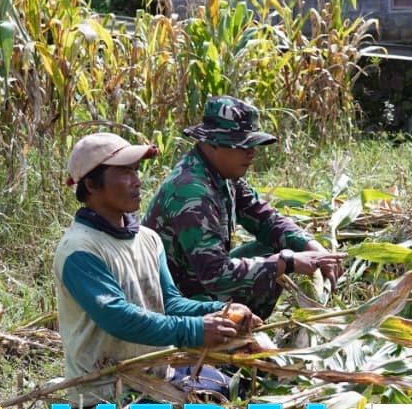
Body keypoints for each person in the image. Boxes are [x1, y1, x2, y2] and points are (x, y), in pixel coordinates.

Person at [54, 132, 262, 405]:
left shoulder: (147, 238)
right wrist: (195, 330)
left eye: (136, 171)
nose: (137, 181)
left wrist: (219, 312)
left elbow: (170, 303)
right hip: (108, 390)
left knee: (233, 388)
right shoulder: (80, 249)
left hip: (158, 372)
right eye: (125, 173)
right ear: (92, 184)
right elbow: (117, 318)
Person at [144, 96, 345, 319]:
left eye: (253, 144)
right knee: (275, 263)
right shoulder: (191, 191)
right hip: (176, 301)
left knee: (272, 251)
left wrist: (313, 248)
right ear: (212, 143)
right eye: (242, 145)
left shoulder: (222, 175)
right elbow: (216, 275)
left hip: (200, 283)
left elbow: (266, 219)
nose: (252, 152)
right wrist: (286, 262)